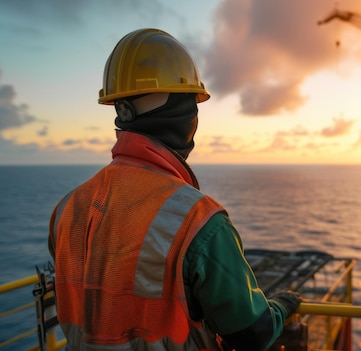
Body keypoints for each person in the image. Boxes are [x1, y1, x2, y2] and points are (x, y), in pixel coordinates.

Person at [48, 28, 301, 351]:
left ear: (121, 110)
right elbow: (252, 333)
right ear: (185, 118)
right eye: (192, 106)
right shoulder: (198, 220)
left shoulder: (68, 208)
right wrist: (282, 306)